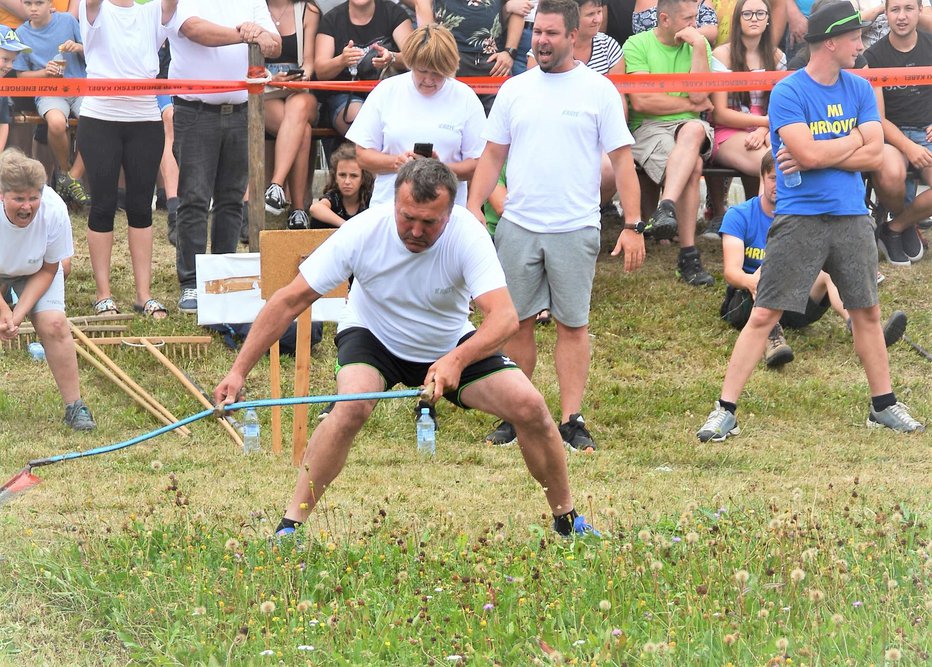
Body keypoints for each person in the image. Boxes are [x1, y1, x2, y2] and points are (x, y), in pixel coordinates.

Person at [214, 159, 599, 539]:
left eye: (428, 222)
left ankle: (567, 520)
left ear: (449, 215)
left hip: (448, 343)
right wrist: (237, 372)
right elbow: (288, 301)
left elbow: (504, 318)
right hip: (373, 333)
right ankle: (290, 527)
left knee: (530, 407)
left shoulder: (468, 235)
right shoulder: (363, 231)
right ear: (395, 203)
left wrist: (456, 359)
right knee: (350, 408)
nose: (415, 230)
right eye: (406, 217)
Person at [697, 0, 925, 442]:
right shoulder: (789, 92)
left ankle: (884, 405)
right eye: (855, 37)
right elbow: (808, 153)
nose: (862, 44)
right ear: (832, 42)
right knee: (763, 314)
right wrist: (849, 142)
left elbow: (874, 151)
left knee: (868, 313)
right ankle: (725, 410)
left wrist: (829, 149)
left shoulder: (858, 87)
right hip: (800, 217)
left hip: (852, 217)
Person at [466, 0, 645, 451]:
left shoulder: (599, 90)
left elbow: (624, 162)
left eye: (549, 33)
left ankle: (571, 419)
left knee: (573, 325)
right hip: (518, 225)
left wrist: (633, 224)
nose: (541, 41)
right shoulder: (514, 90)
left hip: (576, 227)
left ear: (571, 36)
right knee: (516, 324)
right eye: (537, 33)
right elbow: (492, 156)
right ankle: (517, 414)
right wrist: (471, 209)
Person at [719, 151, 908, 367]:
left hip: (793, 300)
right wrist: (752, 282)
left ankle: (858, 328)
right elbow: (731, 272)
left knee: (827, 273)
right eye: (773, 178)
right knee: (766, 272)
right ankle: (773, 341)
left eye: (785, 180)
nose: (778, 185)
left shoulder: (803, 218)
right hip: (748, 300)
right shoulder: (739, 215)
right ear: (762, 177)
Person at [166, 0, 282, 315]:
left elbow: (275, 43)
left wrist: (259, 35)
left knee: (232, 199)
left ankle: (221, 276)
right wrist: (246, 34)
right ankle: (191, 281)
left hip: (243, 110)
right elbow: (194, 30)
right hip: (195, 110)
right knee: (195, 198)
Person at [78, 0, 177, 320]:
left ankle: (143, 294)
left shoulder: (150, 12)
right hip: (99, 118)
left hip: (145, 120)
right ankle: (103, 294)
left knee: (140, 206)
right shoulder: (94, 8)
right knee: (103, 205)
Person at [0, 148, 95, 431]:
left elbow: (50, 268)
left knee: (54, 324)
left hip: (37, 269)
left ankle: (75, 407)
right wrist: (3, 309)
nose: (27, 206)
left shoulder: (53, 209)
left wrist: (16, 317)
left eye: (33, 198)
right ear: (2, 194)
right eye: (19, 199)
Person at [623, 0, 716, 286]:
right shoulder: (636, 44)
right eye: (688, 19)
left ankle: (665, 206)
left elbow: (700, 100)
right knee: (694, 165)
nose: (694, 26)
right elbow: (641, 101)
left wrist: (699, 48)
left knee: (693, 130)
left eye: (696, 18)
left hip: (690, 127)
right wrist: (687, 101)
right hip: (648, 127)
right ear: (664, 19)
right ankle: (688, 256)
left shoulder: (699, 45)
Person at [347, 24, 485, 207]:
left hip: (446, 214)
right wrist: (396, 162)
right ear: (411, 63)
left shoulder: (465, 97)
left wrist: (439, 170)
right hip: (389, 208)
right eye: (422, 71)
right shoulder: (386, 91)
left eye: (437, 73)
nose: (429, 80)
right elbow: (362, 155)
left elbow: (479, 164)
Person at [865, 0, 931, 266]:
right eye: (895, 10)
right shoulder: (873, 56)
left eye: (908, 9)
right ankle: (904, 223)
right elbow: (878, 119)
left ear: (920, 11)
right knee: (891, 173)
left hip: (927, 133)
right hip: (891, 135)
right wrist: (908, 146)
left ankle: (894, 228)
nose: (902, 16)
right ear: (886, 13)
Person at [14, 0, 90, 206]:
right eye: (28, 3)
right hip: (48, 91)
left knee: (94, 122)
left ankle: (72, 177)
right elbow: (21, 76)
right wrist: (44, 72)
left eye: (39, 3)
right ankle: (64, 171)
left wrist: (78, 47)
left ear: (51, 4)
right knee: (56, 122)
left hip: (79, 88)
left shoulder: (67, 21)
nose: (33, 8)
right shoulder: (21, 33)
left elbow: (93, 52)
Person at [709, 0, 785, 182]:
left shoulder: (778, 57)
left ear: (768, 19)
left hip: (767, 129)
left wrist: (762, 130)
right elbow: (720, 114)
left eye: (760, 13)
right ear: (738, 19)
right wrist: (764, 122)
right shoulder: (721, 55)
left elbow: (779, 106)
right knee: (773, 164)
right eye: (747, 14)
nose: (754, 19)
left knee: (785, 159)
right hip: (728, 130)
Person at [314, 0, 412, 137]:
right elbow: (320, 71)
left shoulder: (393, 12)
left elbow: (415, 58)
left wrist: (392, 57)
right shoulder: (332, 19)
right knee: (364, 124)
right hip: (345, 97)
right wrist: (341, 61)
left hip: (389, 93)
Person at [263, 0, 320, 231]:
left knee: (299, 107)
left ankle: (276, 184)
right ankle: (298, 210)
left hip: (299, 90)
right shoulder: (253, 7)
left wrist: (302, 77)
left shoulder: (309, 10)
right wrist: (271, 79)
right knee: (302, 130)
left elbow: (309, 61)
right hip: (266, 89)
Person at [415, 0, 524, 115]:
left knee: (499, 119)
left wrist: (509, 52)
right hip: (449, 58)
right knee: (448, 119)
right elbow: (422, 4)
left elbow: (520, 6)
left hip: (493, 62)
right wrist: (434, 50)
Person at [309, 141, 372, 227]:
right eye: (342, 175)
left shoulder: (369, 199)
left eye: (353, 176)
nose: (347, 181)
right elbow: (315, 209)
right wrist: (346, 225)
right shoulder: (334, 197)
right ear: (335, 177)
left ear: (362, 178)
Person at [632, 0, 719, 43]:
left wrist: (689, 34)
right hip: (653, 51)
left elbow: (711, 30)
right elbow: (642, 32)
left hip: (694, 47)